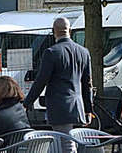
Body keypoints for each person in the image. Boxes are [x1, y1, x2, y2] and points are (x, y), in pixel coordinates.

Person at [23, 17, 92, 153]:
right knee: (68, 143)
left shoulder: (51, 52)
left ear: (53, 31)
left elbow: (41, 81)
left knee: (66, 145)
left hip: (60, 106)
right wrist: (88, 109)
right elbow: (87, 83)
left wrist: (27, 103)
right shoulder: (84, 52)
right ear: (70, 31)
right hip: (78, 106)